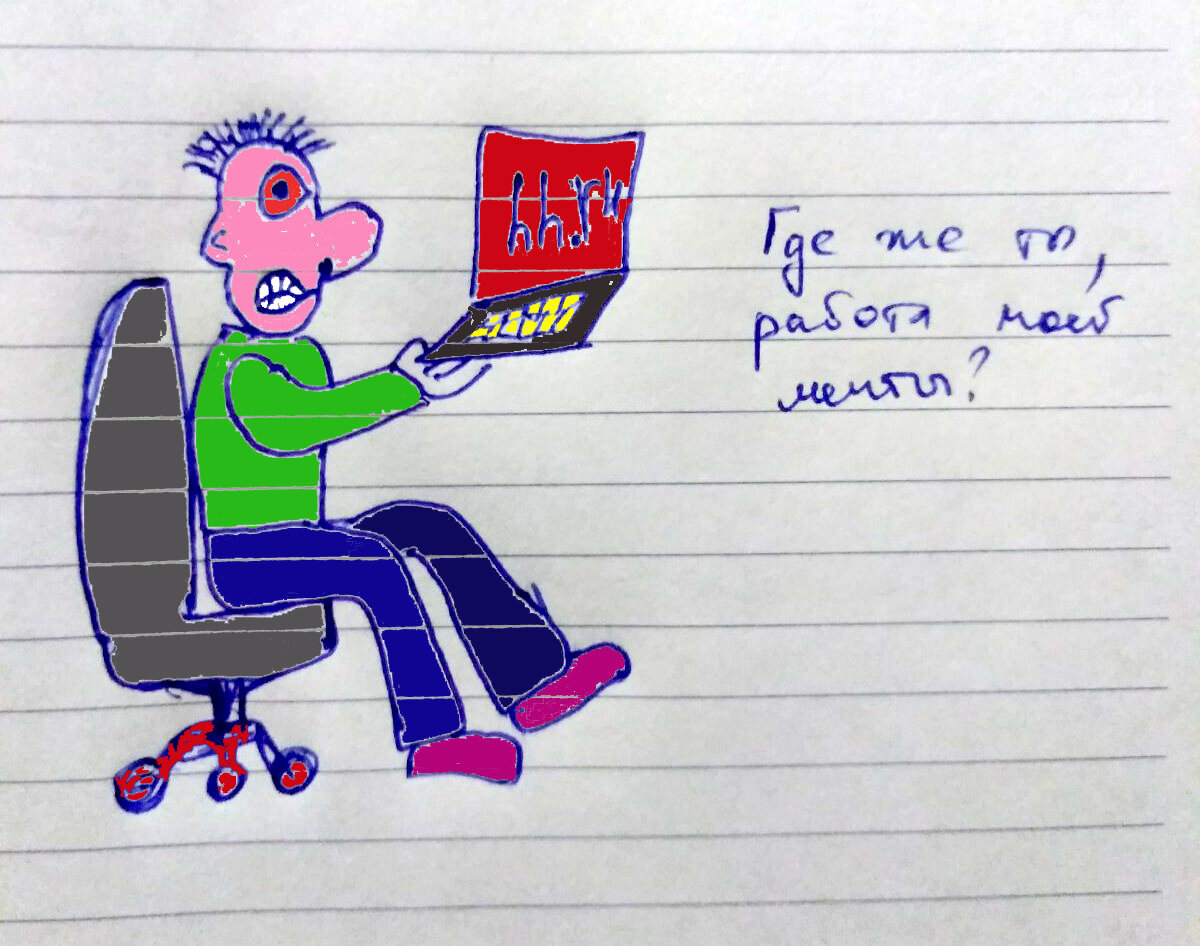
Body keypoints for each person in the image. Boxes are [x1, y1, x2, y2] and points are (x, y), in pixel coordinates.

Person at [183, 111, 629, 784]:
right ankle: (433, 736)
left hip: (294, 537)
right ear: (226, 249)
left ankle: (533, 679)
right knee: (375, 564)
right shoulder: (238, 365)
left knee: (425, 523)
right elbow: (292, 426)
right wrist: (406, 385)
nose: (298, 285)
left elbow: (320, 414)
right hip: (246, 557)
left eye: (312, 268)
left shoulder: (297, 354)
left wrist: (431, 375)